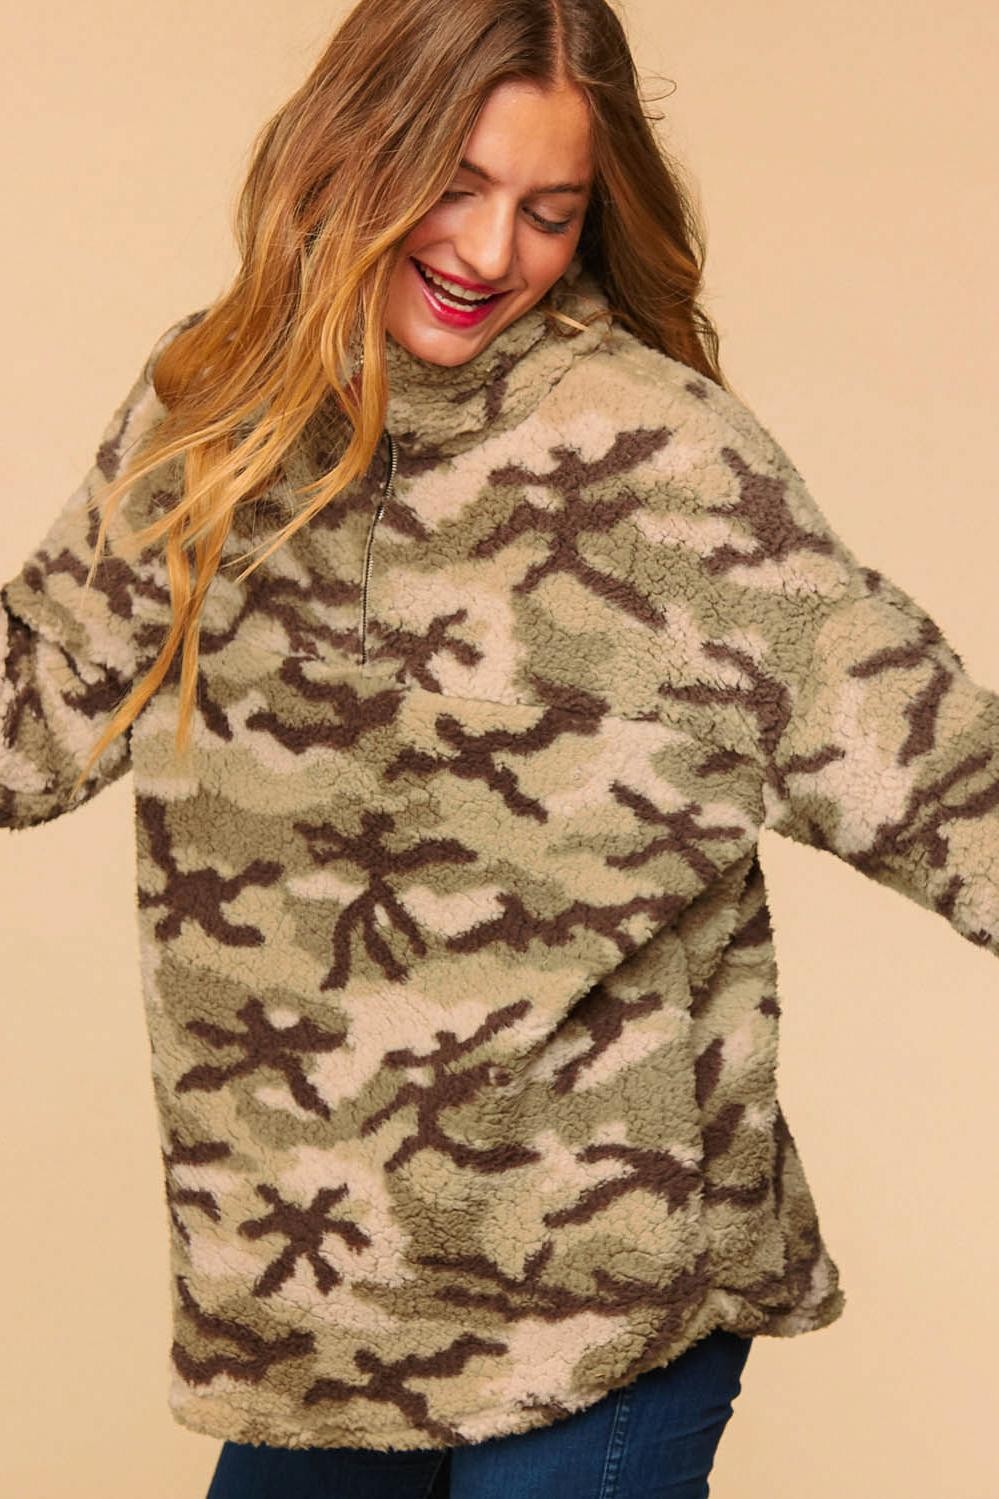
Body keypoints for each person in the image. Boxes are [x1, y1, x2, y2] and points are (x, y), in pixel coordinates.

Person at [2, 1, 996, 1496]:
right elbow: (27, 724)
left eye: (549, 210)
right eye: (452, 188)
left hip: (599, 1299)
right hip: (316, 1314)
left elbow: (946, 780)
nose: (488, 253)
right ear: (355, 154)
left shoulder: (659, 458)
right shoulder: (215, 411)